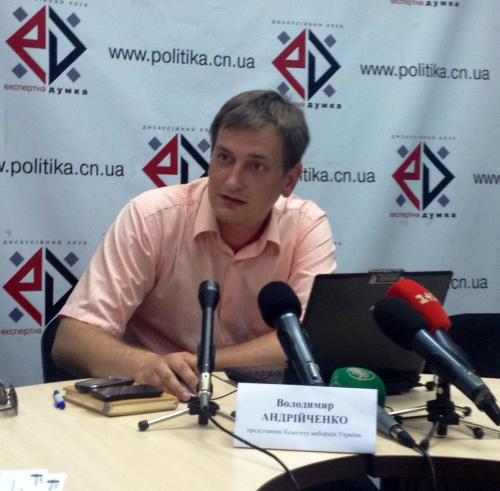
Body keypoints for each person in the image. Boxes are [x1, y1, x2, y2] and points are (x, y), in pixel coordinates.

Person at [52, 90, 336, 401]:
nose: (232, 181)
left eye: (255, 166)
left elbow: (306, 341)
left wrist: (201, 364)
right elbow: (71, 340)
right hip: (156, 402)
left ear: (289, 180)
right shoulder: (153, 217)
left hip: (258, 407)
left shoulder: (306, 226)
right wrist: (147, 365)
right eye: (224, 158)